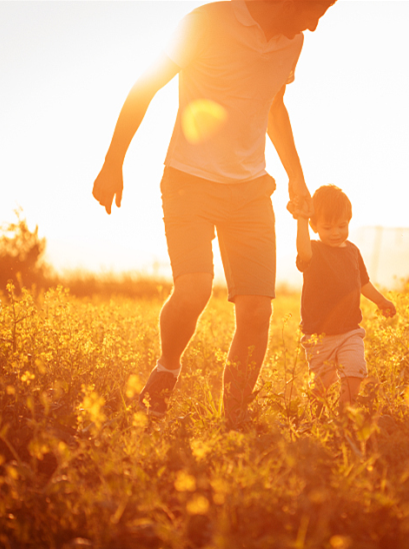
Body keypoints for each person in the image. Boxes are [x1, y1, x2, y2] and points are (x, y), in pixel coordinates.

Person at [92, 0, 336, 427]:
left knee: (258, 312)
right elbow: (145, 85)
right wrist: (114, 162)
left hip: (251, 191)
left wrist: (296, 176)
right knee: (193, 292)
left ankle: (235, 420)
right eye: (314, 11)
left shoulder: (292, 43)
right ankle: (167, 368)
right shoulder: (207, 22)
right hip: (189, 181)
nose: (315, 27)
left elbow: (273, 104)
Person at [295, 185, 396, 408]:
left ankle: (345, 416)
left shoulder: (352, 251)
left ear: (349, 221)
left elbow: (363, 283)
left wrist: (381, 301)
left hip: (350, 331)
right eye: (327, 227)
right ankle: (315, 422)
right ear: (314, 226)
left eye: (342, 226)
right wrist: (302, 218)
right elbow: (302, 251)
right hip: (319, 336)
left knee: (354, 372)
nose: (336, 232)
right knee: (319, 389)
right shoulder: (313, 250)